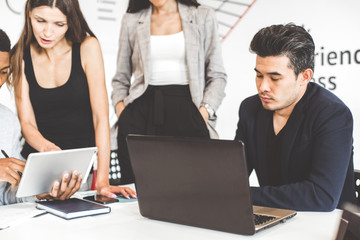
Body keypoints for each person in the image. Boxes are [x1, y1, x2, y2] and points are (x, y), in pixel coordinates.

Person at [10, 0, 136, 199]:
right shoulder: (20, 55)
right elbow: (26, 122)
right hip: (37, 170)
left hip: (78, 172)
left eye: (59, 24)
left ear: (70, 22)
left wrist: (103, 181)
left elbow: (100, 118)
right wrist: (48, 149)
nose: (47, 32)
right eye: (40, 20)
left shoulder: (87, 47)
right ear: (29, 14)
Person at [235, 23, 357, 211]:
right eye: (259, 75)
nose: (263, 87)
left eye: (274, 78)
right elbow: (234, 176)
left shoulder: (333, 114)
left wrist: (242, 195)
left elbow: (321, 196)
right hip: (273, 216)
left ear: (304, 76)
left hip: (330, 227)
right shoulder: (250, 108)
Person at [112, 0, 227, 184]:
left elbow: (217, 75)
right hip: (141, 114)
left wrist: (203, 113)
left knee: (193, 185)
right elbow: (121, 77)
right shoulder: (132, 20)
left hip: (188, 111)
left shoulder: (203, 16)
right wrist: (123, 112)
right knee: (139, 189)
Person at [0, 28, 82, 205]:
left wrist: (40, 192)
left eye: (3, 72)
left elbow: (5, 197)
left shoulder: (8, 121)